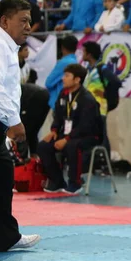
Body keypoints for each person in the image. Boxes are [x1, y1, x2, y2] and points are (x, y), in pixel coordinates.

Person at [0, 0, 41, 252]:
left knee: (2, 182)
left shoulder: (7, 46)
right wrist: (14, 122)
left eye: (30, 21)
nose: (28, 26)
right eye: (22, 21)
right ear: (4, 21)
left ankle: (6, 237)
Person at [38, 64, 102, 194]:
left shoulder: (87, 99)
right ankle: (57, 181)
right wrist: (54, 131)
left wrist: (67, 139)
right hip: (67, 134)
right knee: (43, 146)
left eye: (67, 76)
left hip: (89, 135)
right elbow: (58, 116)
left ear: (77, 80)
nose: (63, 79)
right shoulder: (63, 94)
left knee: (72, 146)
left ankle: (75, 183)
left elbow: (86, 125)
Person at [45, 35, 79, 110]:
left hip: (58, 103)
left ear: (62, 48)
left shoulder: (64, 62)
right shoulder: (76, 62)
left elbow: (48, 83)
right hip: (69, 102)